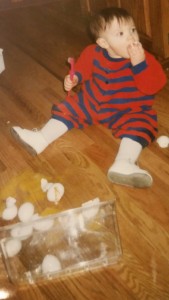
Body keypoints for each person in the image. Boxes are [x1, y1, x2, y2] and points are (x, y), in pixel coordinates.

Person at [11, 7, 166, 188]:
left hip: (128, 110)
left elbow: (153, 86)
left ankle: (124, 162)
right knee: (69, 107)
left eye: (133, 30)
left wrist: (139, 65)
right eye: (121, 33)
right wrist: (74, 78)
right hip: (93, 103)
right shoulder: (93, 52)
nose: (131, 37)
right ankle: (41, 139)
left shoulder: (144, 59)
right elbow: (83, 67)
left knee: (142, 123)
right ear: (103, 43)